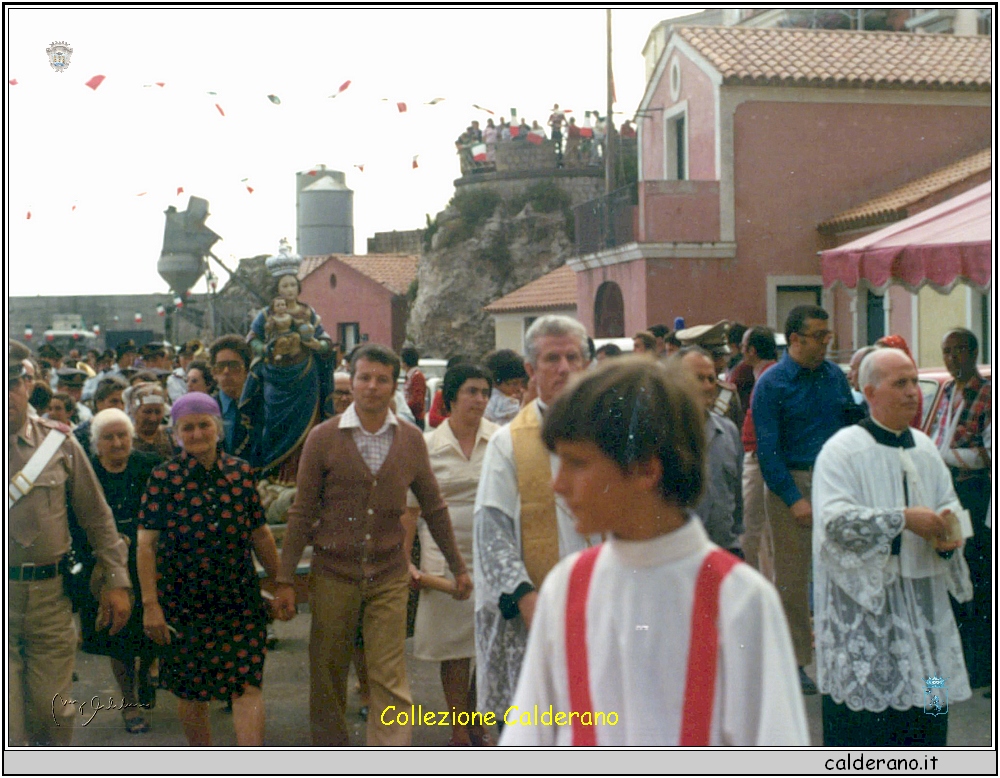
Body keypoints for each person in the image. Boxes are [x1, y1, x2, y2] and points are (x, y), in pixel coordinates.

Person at [500, 357, 808, 746]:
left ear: (646, 469)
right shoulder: (566, 587)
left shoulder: (740, 599)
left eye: (576, 463)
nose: (557, 484)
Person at [272, 344, 471, 747]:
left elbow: (433, 507)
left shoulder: (412, 440)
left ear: (394, 385)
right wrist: (284, 579)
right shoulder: (323, 438)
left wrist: (458, 566)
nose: (372, 387)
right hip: (333, 575)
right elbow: (301, 513)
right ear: (352, 379)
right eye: (364, 378)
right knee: (327, 674)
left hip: (388, 575)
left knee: (389, 674)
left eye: (382, 379)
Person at [813, 348, 972, 746]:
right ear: (870, 391)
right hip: (872, 616)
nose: (912, 392)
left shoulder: (925, 447)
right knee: (871, 732)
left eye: (914, 381)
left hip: (926, 606)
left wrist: (952, 533)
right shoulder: (841, 449)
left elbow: (949, 505)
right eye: (899, 383)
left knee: (934, 715)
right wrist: (902, 520)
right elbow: (834, 524)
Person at [473, 314, 598, 724]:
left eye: (573, 357)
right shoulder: (509, 442)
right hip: (535, 610)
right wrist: (526, 599)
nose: (564, 367)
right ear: (530, 370)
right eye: (552, 358)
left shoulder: (611, 436)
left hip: (602, 605)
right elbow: (492, 532)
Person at [137, 392, 280, 746]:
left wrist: (281, 583)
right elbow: (146, 545)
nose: (198, 433)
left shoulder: (241, 473)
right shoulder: (163, 478)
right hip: (184, 602)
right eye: (189, 427)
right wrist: (151, 604)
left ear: (218, 428)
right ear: (176, 433)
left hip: (239, 599)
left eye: (205, 425)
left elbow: (260, 534)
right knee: (192, 693)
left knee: (247, 685)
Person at [9, 351, 132, 746]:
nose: (8, 393)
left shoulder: (58, 442)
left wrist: (116, 581)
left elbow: (97, 516)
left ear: (28, 385)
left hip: (50, 599)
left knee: (53, 715)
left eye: (13, 383)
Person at [751, 305, 863, 695]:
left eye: (828, 335)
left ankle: (843, 651)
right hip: (793, 482)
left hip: (837, 483)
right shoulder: (772, 384)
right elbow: (768, 451)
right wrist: (793, 498)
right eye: (819, 336)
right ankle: (795, 660)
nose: (826, 343)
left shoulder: (833, 376)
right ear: (794, 339)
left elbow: (852, 424)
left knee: (842, 569)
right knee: (794, 579)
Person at [404, 363, 499, 746]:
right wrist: (405, 560)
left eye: (484, 392)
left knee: (485, 642)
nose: (479, 399)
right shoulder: (427, 445)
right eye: (471, 391)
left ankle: (478, 720)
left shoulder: (501, 441)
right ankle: (460, 727)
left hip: (491, 550)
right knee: (454, 648)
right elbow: (410, 510)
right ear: (452, 397)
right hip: (444, 554)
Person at [83, 408, 163, 734]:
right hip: (106, 565)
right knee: (119, 637)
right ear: (96, 443)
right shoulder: (87, 473)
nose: (117, 443)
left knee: (152, 630)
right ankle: (128, 702)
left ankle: (147, 675)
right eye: (109, 437)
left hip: (147, 559)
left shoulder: (149, 465)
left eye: (122, 436)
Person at [927, 327, 992, 690]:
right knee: (954, 574)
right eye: (947, 351)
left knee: (977, 578)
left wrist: (944, 457)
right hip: (948, 496)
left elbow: (987, 454)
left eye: (959, 351)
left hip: (973, 496)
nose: (952, 359)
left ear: (973, 352)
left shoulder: (987, 393)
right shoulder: (948, 391)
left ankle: (981, 667)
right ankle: (961, 662)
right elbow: (938, 436)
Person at [243, 252, 335, 479]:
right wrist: (263, 349)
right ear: (278, 289)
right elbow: (252, 338)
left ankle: (302, 477)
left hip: (304, 377)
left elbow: (326, 341)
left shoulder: (308, 313)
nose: (289, 289)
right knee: (274, 424)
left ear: (298, 287)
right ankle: (274, 476)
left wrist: (315, 343)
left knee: (307, 427)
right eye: (284, 285)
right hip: (275, 376)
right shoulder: (266, 314)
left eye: (293, 285)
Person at [677, 347, 744, 555]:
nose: (707, 386)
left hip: (724, 550)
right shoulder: (659, 435)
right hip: (679, 557)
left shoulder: (728, 432)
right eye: (698, 378)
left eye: (711, 379)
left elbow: (737, 498)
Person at [738, 327, 779, 580]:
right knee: (763, 531)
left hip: (759, 456)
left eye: (743, 346)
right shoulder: (764, 374)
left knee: (751, 527)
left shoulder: (767, 376)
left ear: (752, 350)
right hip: (760, 454)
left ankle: (750, 582)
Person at [209, 335, 253, 458]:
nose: (226, 372)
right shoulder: (206, 409)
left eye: (234, 366)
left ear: (247, 370)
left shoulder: (258, 405)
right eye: (220, 366)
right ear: (213, 373)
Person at [74, 376, 127, 457]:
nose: (120, 407)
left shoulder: (127, 431)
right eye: (114, 401)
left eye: (123, 402)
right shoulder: (81, 434)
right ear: (99, 403)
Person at [128, 382, 177, 460]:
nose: (153, 418)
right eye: (147, 412)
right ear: (134, 412)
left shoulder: (173, 437)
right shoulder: (125, 440)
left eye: (158, 412)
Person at [483, 349, 528, 426]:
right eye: (514, 383)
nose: (519, 388)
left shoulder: (488, 396)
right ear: (496, 382)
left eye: (522, 383)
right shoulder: (504, 401)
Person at [400, 345, 427, 430]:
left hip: (415, 418)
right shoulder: (410, 376)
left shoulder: (417, 376)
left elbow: (417, 401)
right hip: (408, 416)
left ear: (405, 362)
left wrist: (404, 407)